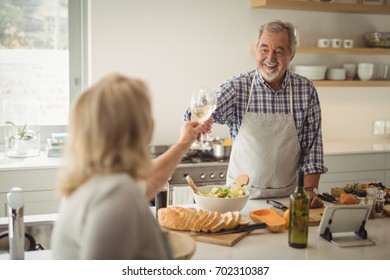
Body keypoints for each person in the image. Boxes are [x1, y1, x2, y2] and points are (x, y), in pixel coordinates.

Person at [51, 73, 203, 259]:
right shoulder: (116, 194)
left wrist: (183, 144)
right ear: (142, 130)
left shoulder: (95, 183)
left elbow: (150, 182)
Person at [184, 20, 327, 207]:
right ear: (257, 50)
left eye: (279, 51)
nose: (270, 58)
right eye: (264, 49)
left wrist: (309, 191)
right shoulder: (238, 87)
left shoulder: (305, 90)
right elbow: (197, 111)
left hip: (287, 199)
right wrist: (201, 120)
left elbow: (312, 148)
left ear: (291, 55)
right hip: (239, 198)